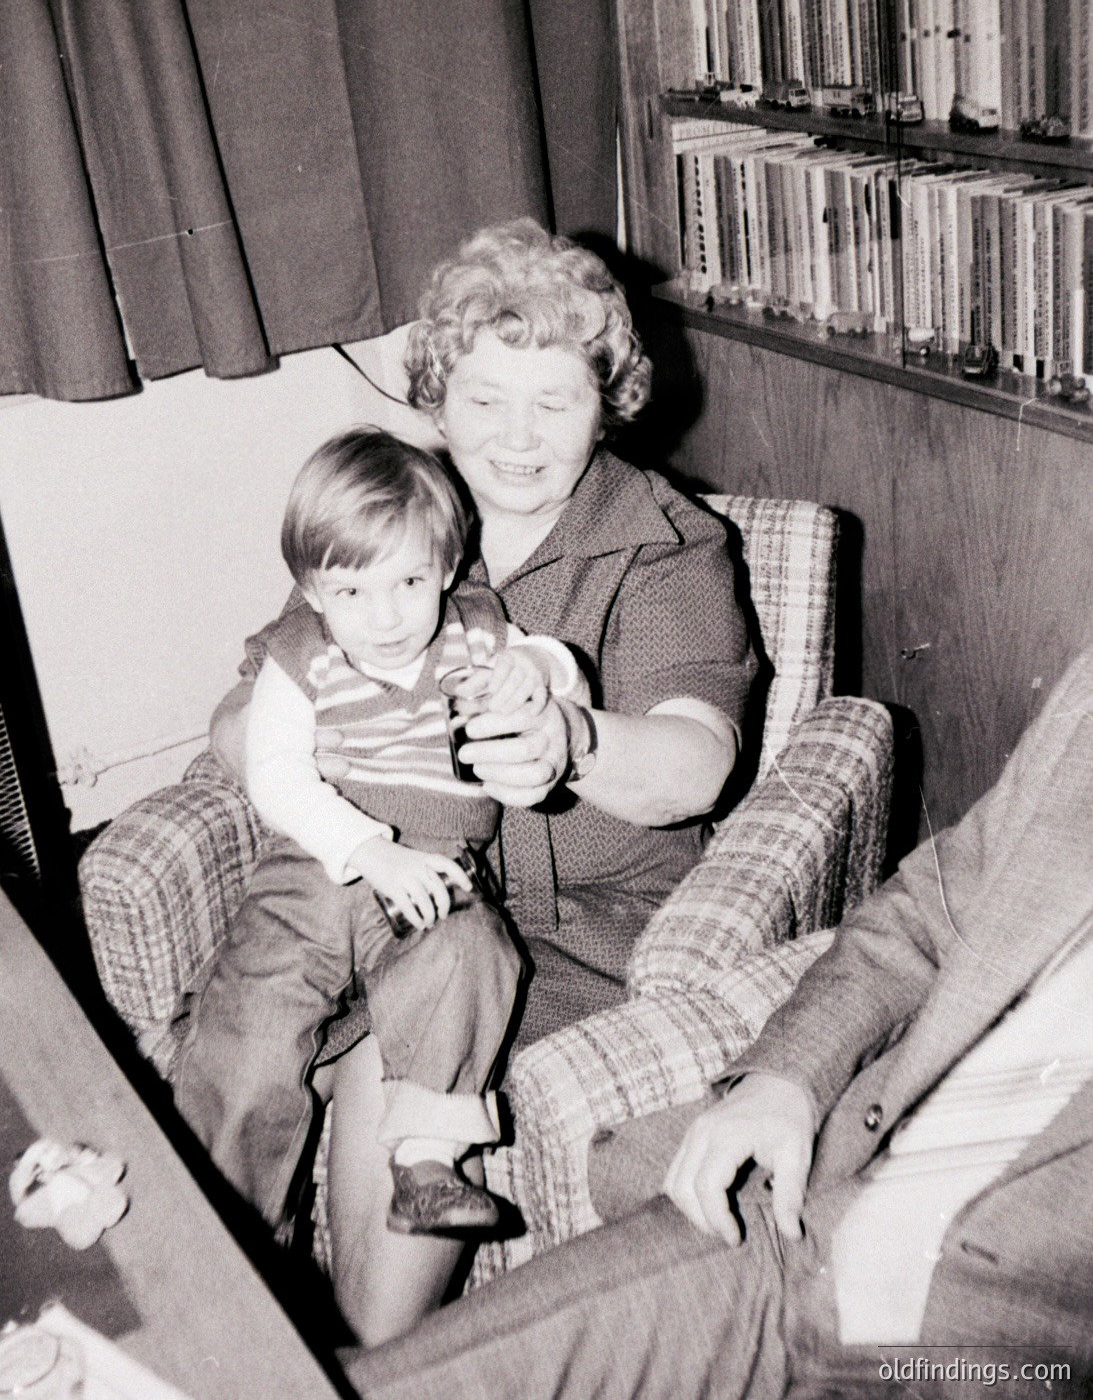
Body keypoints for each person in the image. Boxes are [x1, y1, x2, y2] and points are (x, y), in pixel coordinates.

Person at [208, 218, 757, 1344]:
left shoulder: (664, 547)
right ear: (438, 400)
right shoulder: (395, 516)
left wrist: (571, 741)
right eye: (484, 398)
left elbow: (694, 765)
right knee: (247, 1039)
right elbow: (246, 717)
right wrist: (306, 754)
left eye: (554, 401)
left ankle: (371, 1365)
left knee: (399, 1057)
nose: (515, 437)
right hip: (380, 894)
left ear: (606, 404)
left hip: (561, 928)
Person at [342, 643, 1093, 1400]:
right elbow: (931, 910)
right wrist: (787, 1075)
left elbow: (694, 763)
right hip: (802, 1212)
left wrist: (573, 737)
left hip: (988, 1349)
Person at [176, 428, 585, 1241]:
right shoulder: (300, 655)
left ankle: (427, 1160)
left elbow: (558, 666)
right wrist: (367, 850)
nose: (387, 615)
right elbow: (275, 773)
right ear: (312, 590)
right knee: (253, 1020)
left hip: (436, 862)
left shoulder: (480, 632)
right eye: (352, 591)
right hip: (315, 865)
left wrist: (539, 672)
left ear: (447, 566)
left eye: (409, 581)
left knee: (472, 951)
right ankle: (227, 1225)